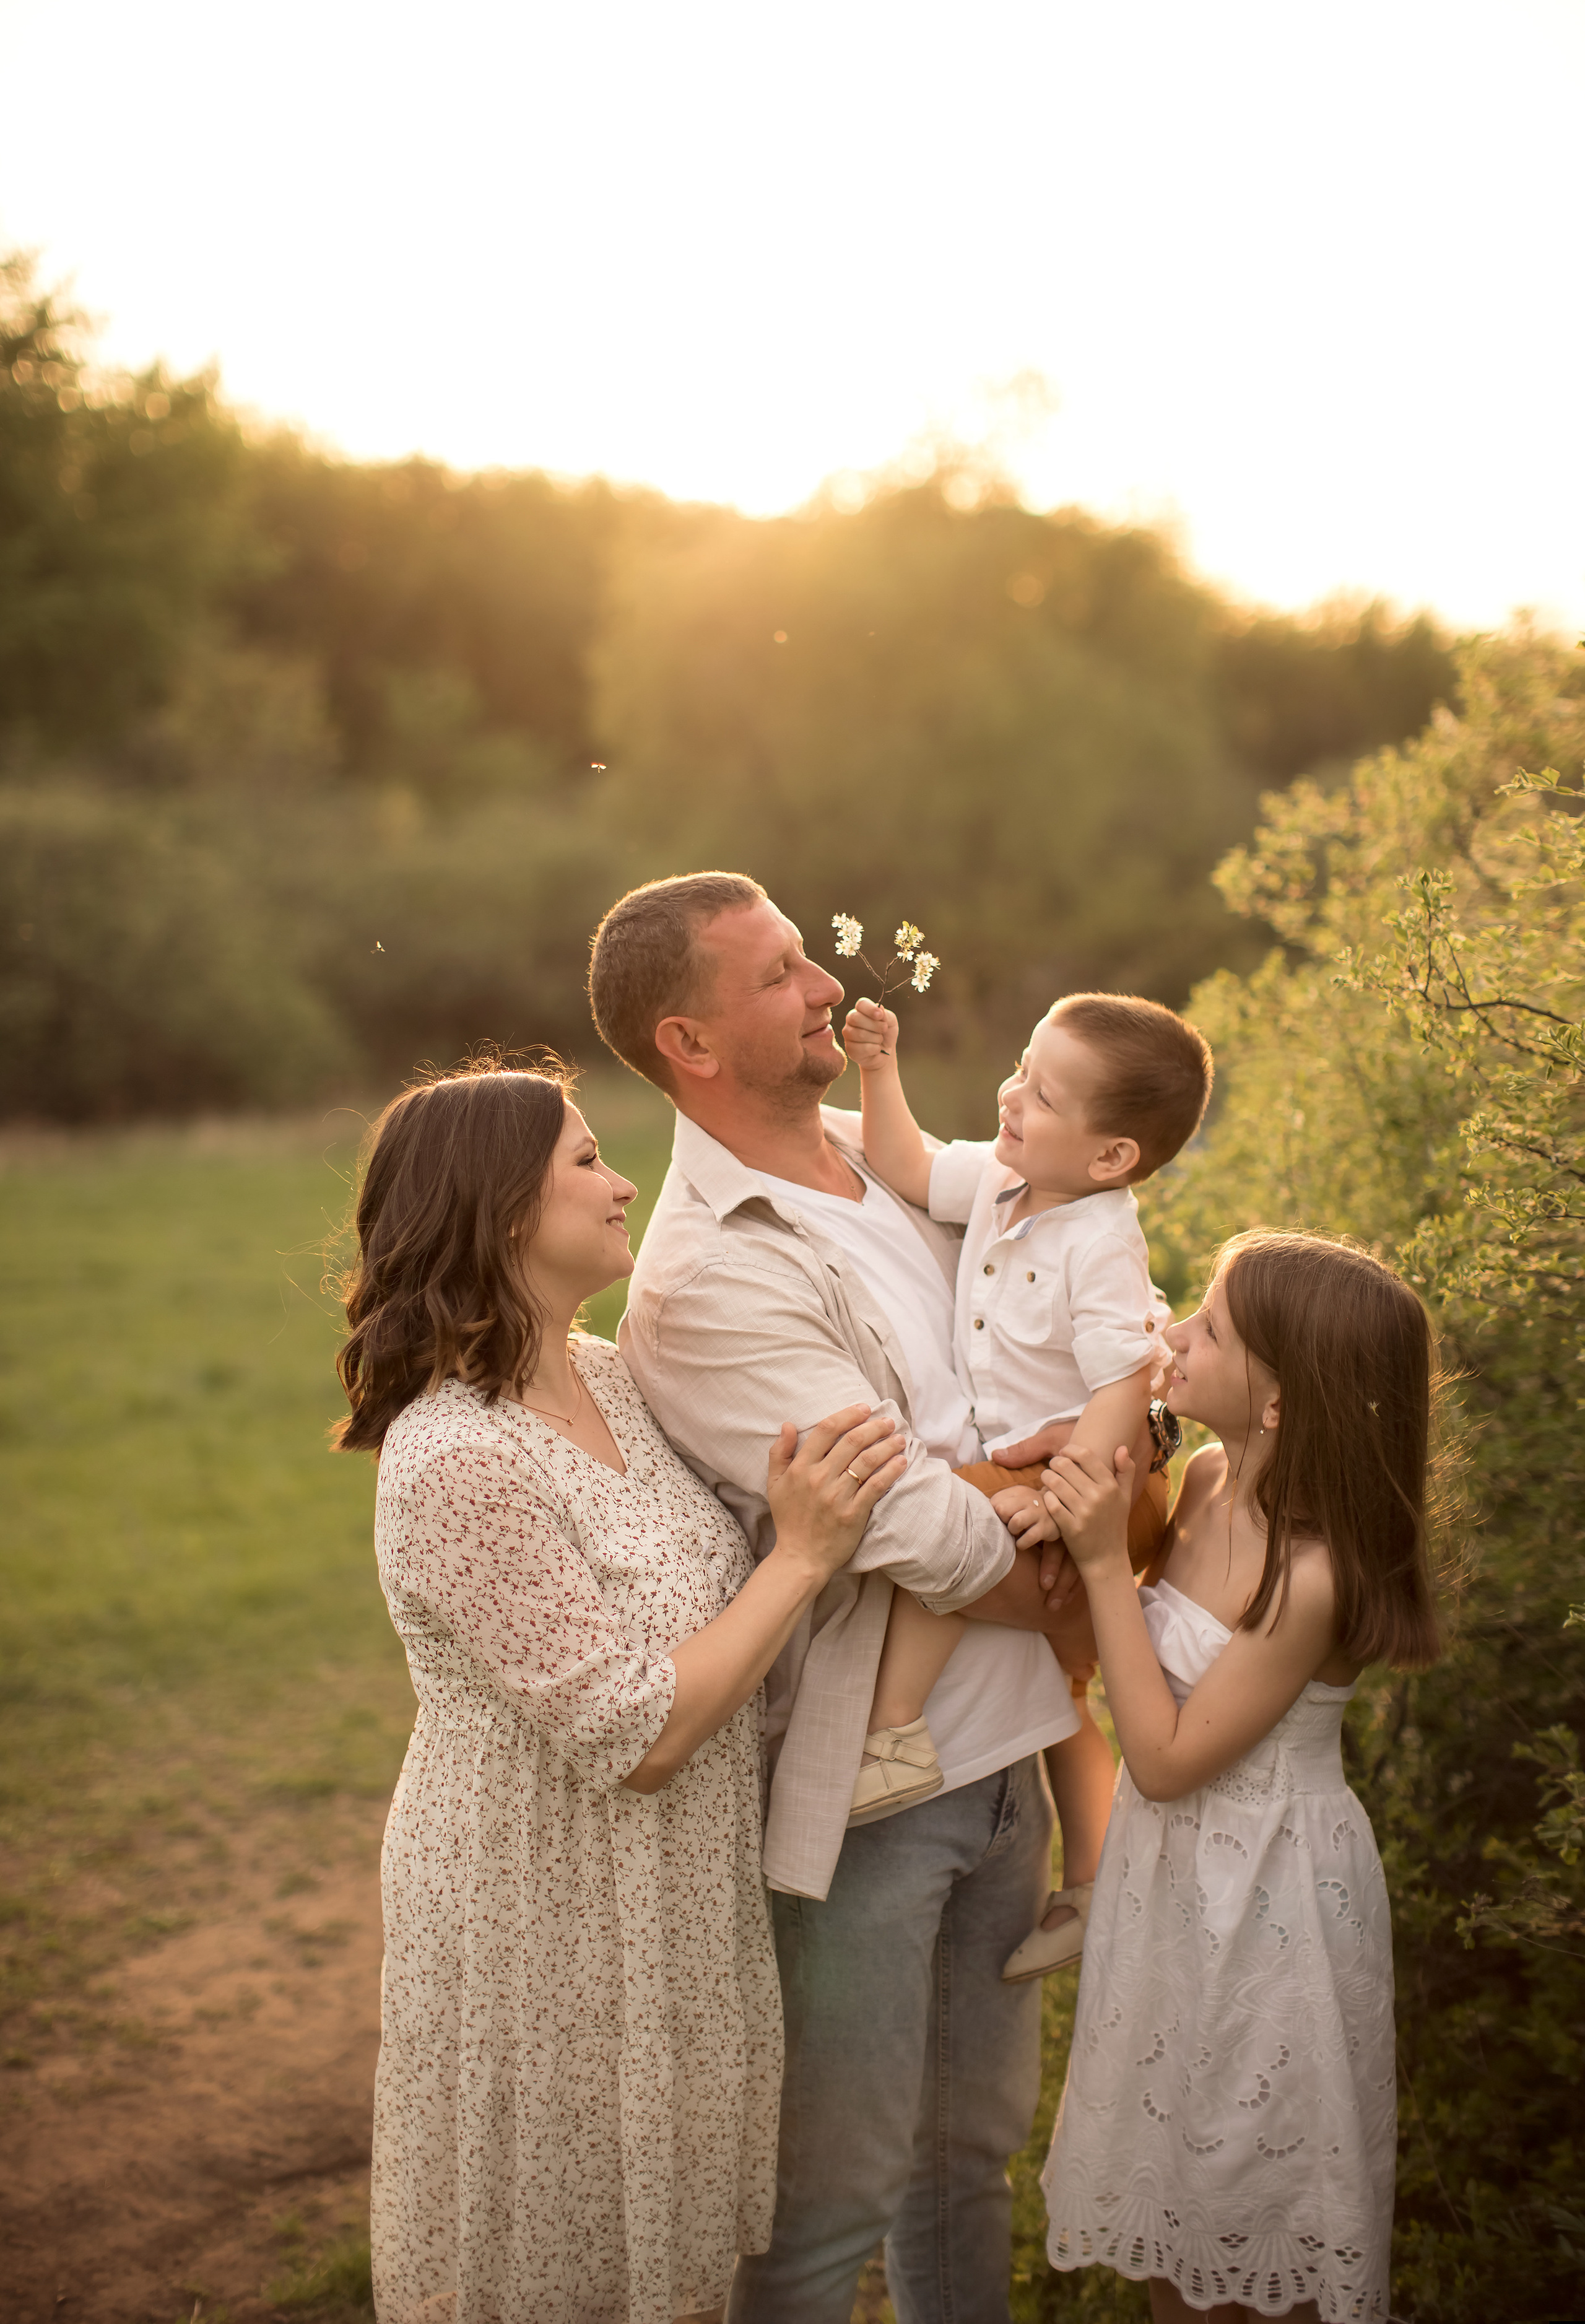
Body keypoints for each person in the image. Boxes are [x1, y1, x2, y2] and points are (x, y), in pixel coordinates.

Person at [334, 1056, 908, 2324]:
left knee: (666, 2265)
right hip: (545, 1911)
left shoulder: (606, 1374)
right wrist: (805, 1554)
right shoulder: (455, 1458)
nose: (623, 1182)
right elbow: (638, 1734)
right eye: (587, 1159)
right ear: (499, 1210)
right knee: (559, 2268)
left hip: (675, 1898)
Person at [588, 873, 1084, 2324]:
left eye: (807, 956)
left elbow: (1059, 1340)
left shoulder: (894, 1162)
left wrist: (1093, 1457)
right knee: (828, 2206)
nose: (822, 989)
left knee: (968, 2163)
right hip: (876, 1796)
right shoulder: (705, 1274)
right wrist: (1102, 1560)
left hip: (1013, 1756)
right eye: (776, 975)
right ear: (688, 1041)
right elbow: (913, 1528)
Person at [1037, 1230, 1441, 2323]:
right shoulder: (1209, 1477)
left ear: (1280, 1400)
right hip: (1171, 1894)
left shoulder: (1314, 1576)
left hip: (1270, 1899)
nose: (1175, 1332)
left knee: (1256, 2197)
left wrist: (1100, 1561)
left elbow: (1166, 1759)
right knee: (1173, 2199)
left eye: (1208, 1327)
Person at [841, 986, 1212, 1983]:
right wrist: (879, 1069)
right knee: (1065, 1694)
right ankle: (1094, 1883)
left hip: (1102, 1470)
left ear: (1111, 1157)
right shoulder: (1006, 1180)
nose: (1011, 1095)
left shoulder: (1101, 1240)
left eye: (1043, 1095)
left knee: (942, 1523)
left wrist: (1068, 1495)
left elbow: (1123, 1382)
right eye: (1020, 1069)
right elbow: (907, 1164)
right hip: (1055, 1468)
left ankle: (892, 1734)